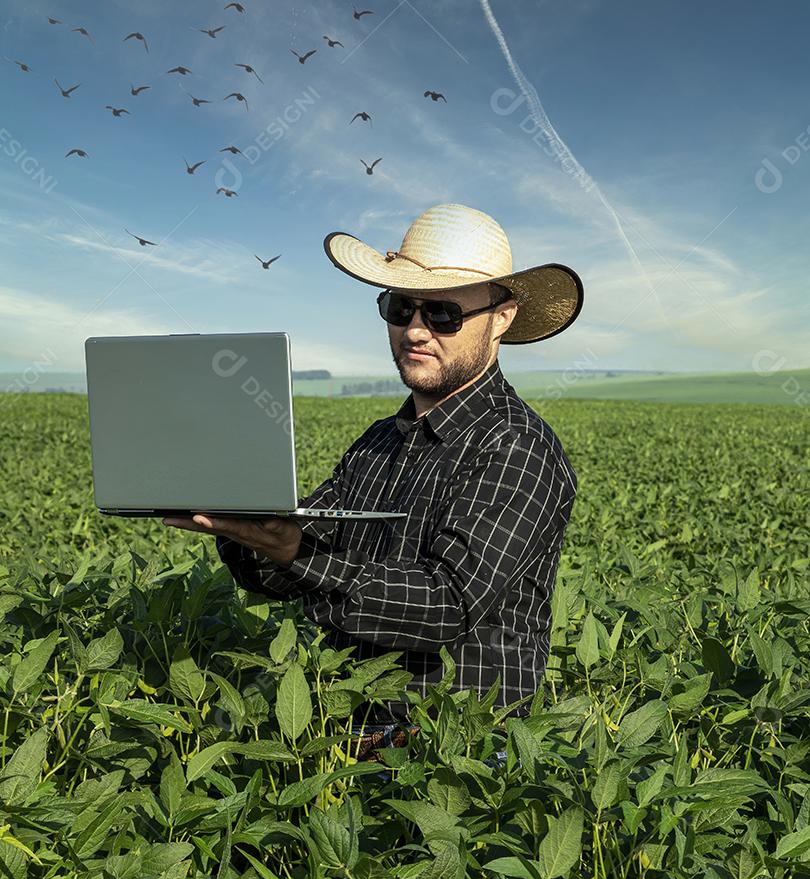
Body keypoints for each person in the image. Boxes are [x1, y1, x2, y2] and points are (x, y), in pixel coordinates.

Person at [163, 202, 584, 761]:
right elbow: (295, 563)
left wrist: (297, 553)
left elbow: (446, 605)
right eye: (399, 306)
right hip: (346, 735)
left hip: (462, 757)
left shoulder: (516, 446)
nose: (414, 330)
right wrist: (241, 522)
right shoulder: (377, 443)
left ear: (500, 317)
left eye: (442, 315)